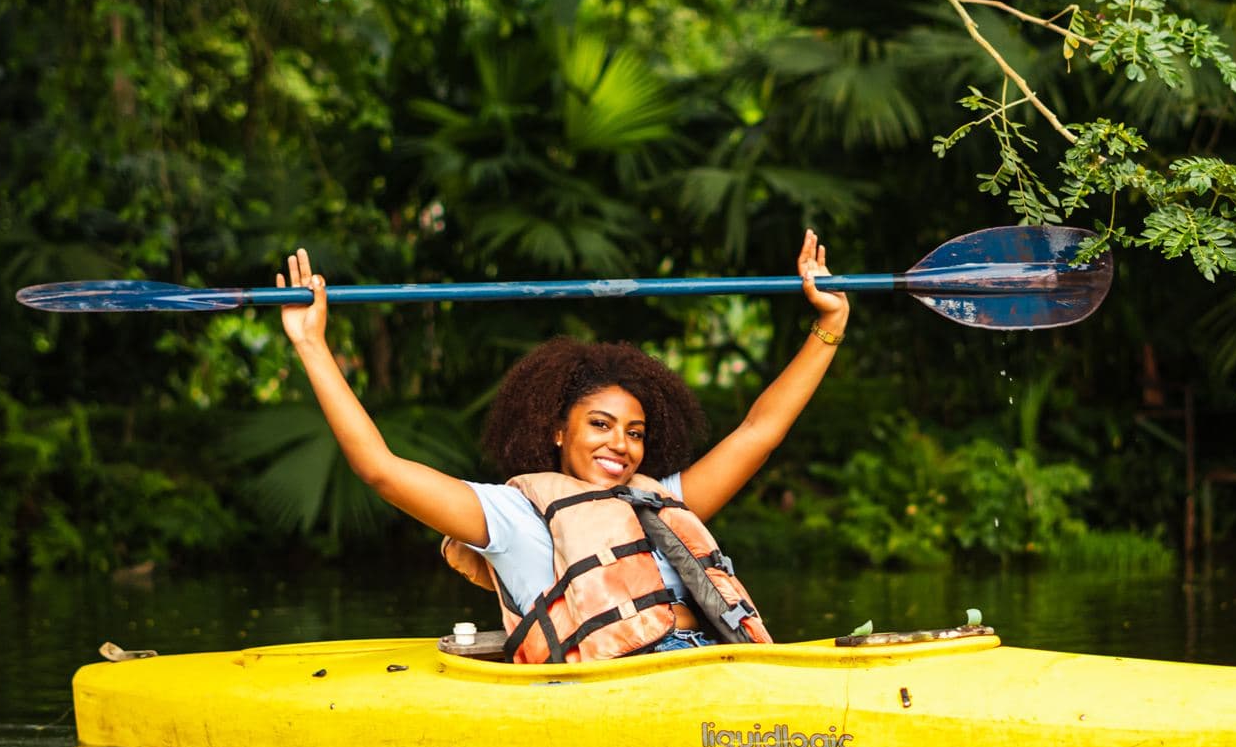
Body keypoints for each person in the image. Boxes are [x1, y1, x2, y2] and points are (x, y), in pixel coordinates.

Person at [277, 230, 848, 662]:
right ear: (557, 430)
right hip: (623, 688)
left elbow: (758, 433)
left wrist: (828, 328)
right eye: (600, 425)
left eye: (635, 432)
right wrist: (311, 344)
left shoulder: (660, 504)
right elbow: (380, 470)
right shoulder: (512, 514)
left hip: (715, 663)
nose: (620, 445)